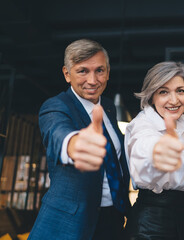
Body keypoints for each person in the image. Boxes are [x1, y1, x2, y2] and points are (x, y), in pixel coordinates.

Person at [28, 39, 131, 240]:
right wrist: (75, 144)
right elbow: (58, 134)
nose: (92, 80)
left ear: (108, 72)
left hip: (113, 218)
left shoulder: (108, 107)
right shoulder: (56, 106)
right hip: (71, 223)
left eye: (99, 70)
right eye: (82, 71)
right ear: (67, 74)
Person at [125, 61, 184, 239]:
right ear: (152, 96)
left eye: (180, 91)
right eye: (163, 92)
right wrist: (157, 152)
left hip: (181, 219)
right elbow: (144, 148)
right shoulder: (143, 123)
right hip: (152, 226)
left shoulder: (183, 123)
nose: (174, 100)